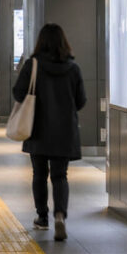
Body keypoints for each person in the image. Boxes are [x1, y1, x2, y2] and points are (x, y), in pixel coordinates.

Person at [13, 23, 86, 242]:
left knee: (39, 174)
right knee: (60, 175)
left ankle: (42, 216)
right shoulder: (73, 68)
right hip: (64, 130)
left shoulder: (32, 65)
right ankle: (60, 215)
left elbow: (18, 94)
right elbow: (81, 101)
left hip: (37, 128)